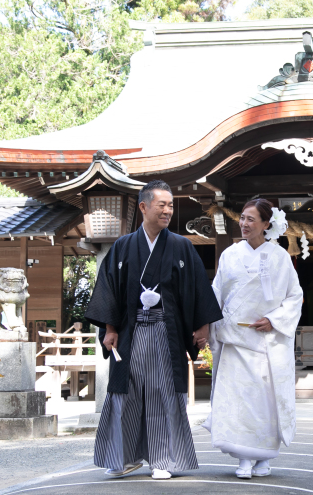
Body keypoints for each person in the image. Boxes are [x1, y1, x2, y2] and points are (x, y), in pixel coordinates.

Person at [86, 180, 223, 480]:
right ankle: (122, 457)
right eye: (162, 205)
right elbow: (109, 289)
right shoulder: (123, 246)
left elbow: (199, 289)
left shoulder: (181, 246)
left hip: (165, 329)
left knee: (163, 390)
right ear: (144, 207)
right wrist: (109, 329)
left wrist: (202, 327)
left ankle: (163, 459)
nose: (168, 210)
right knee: (126, 392)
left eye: (171, 205)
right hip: (130, 331)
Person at [203, 198, 303, 479]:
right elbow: (216, 294)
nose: (244, 224)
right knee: (238, 402)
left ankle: (263, 458)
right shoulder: (230, 255)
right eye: (242, 218)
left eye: (251, 219)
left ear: (266, 224)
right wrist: (206, 327)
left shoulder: (280, 256)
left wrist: (274, 320)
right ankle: (244, 458)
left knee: (264, 404)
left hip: (267, 342)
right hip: (235, 339)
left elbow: (294, 296)